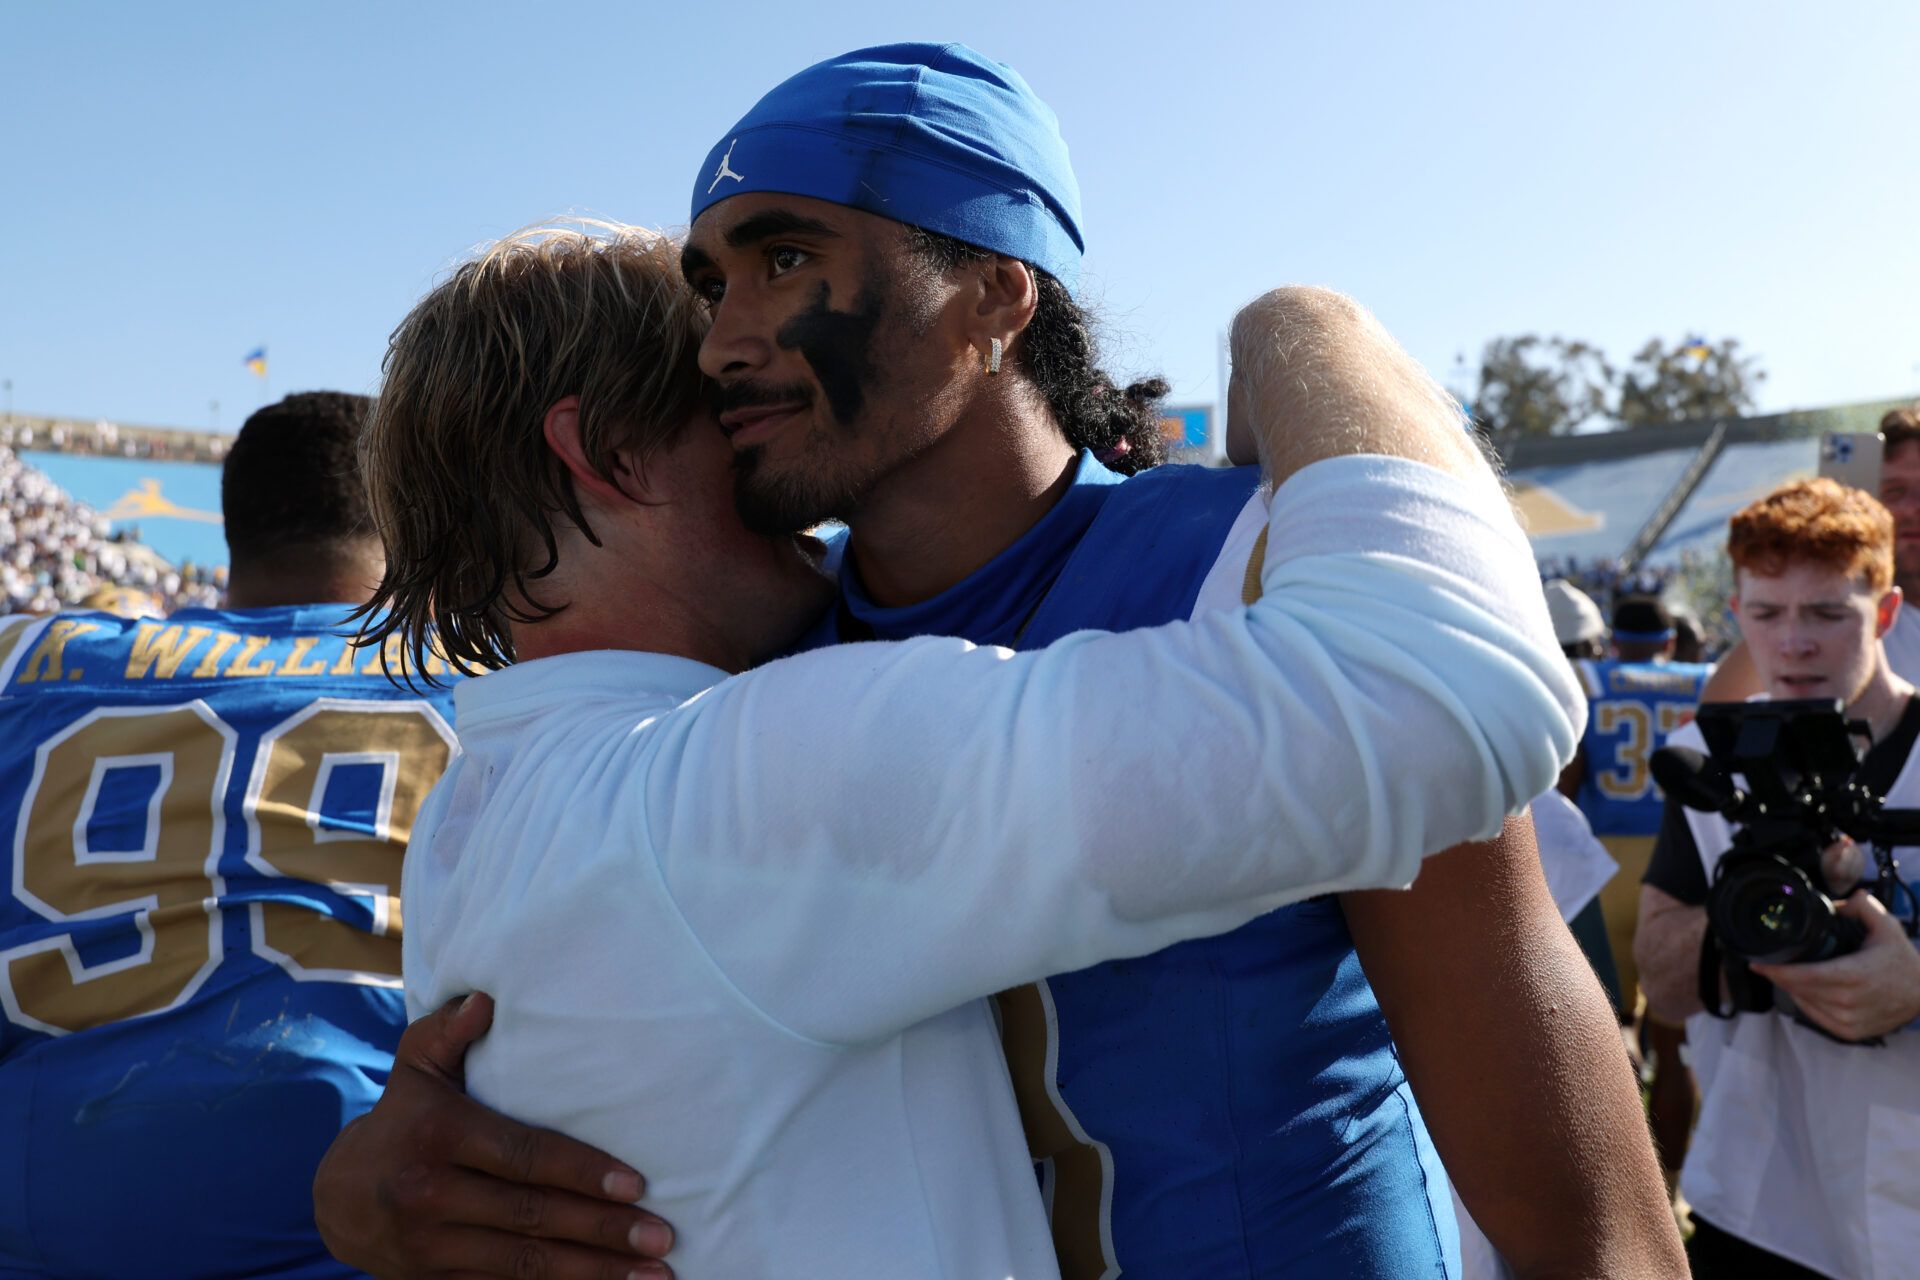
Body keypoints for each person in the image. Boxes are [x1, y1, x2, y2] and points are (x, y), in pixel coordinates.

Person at [314, 44, 1681, 1279]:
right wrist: (383, 1162)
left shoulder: (1263, 569)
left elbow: (1586, 1212)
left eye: (784, 261)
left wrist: (1301, 323)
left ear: (992, 295)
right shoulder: (759, 677)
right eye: (710, 287)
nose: (727, 340)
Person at [0, 392, 460, 1278]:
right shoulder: (492, 686)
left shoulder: (31, 666)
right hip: (372, 1235)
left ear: (232, 524)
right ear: (413, 516)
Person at [1637, 477, 1920, 1279]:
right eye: (1767, 614)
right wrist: (1763, 899)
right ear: (1737, 618)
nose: (1794, 643)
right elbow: (1662, 985)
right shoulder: (1709, 765)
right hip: (1761, 1206)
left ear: (1887, 614)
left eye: (1828, 614)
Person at [1561, 594, 1713, 1019]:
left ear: (1614, 642)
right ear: (1668, 641)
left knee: (1613, 1026)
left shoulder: (1586, 679)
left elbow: (1567, 785)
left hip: (1606, 864)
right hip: (1685, 861)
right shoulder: (1708, 681)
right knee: (1677, 1029)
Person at [1704, 404, 1920, 697]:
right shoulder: (1853, 606)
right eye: (1893, 491)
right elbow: (1720, 712)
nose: (1911, 508)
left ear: (1887, 613)